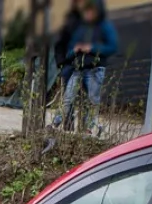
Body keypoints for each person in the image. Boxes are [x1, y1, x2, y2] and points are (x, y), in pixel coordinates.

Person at [61, 0, 118, 136]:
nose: (88, 14)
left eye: (91, 11)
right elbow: (68, 51)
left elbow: (112, 47)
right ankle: (64, 125)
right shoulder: (81, 29)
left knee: (92, 100)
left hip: (95, 69)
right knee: (68, 98)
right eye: (86, 12)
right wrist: (74, 50)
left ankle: (88, 129)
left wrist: (91, 48)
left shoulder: (105, 27)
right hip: (78, 68)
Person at [52, 0, 84, 129]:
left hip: (85, 65)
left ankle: (61, 122)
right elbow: (59, 43)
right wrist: (61, 61)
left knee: (78, 97)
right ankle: (68, 124)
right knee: (68, 95)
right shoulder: (69, 21)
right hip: (69, 63)